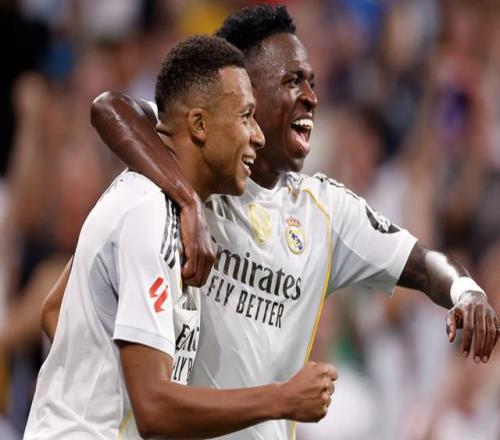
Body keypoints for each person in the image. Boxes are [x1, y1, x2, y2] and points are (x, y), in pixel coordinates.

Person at [44, 5, 499, 440]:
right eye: (292, 81)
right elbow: (111, 108)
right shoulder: (176, 185)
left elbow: (423, 264)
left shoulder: (326, 211)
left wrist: (466, 291)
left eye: (312, 83)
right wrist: (188, 201)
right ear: (244, 91)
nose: (311, 98)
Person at [24, 35, 338, 440]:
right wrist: (283, 399)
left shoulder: (161, 203)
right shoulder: (149, 213)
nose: (258, 136)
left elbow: (58, 311)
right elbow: (154, 408)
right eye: (246, 116)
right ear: (199, 125)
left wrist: (106, 380)